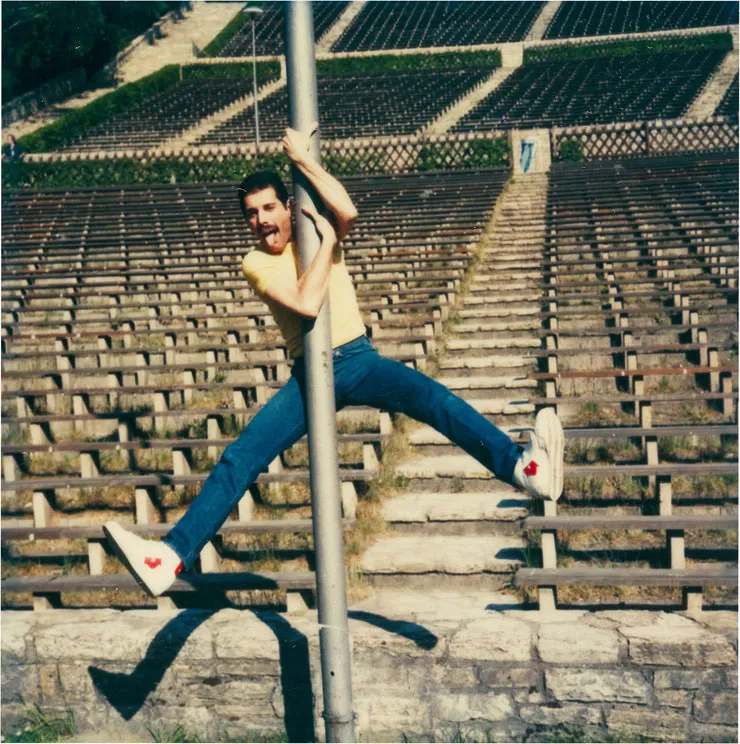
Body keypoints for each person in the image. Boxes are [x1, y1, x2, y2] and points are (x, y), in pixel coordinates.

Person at [104, 125, 565, 597]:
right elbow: (306, 304)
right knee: (240, 458)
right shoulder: (257, 262)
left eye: (268, 208)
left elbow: (347, 209)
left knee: (433, 398)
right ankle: (171, 557)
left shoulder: (314, 227)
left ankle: (521, 468)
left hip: (356, 358)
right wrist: (325, 245)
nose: (261, 221)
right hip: (310, 375)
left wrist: (304, 162)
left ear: (288, 208)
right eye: (251, 214)